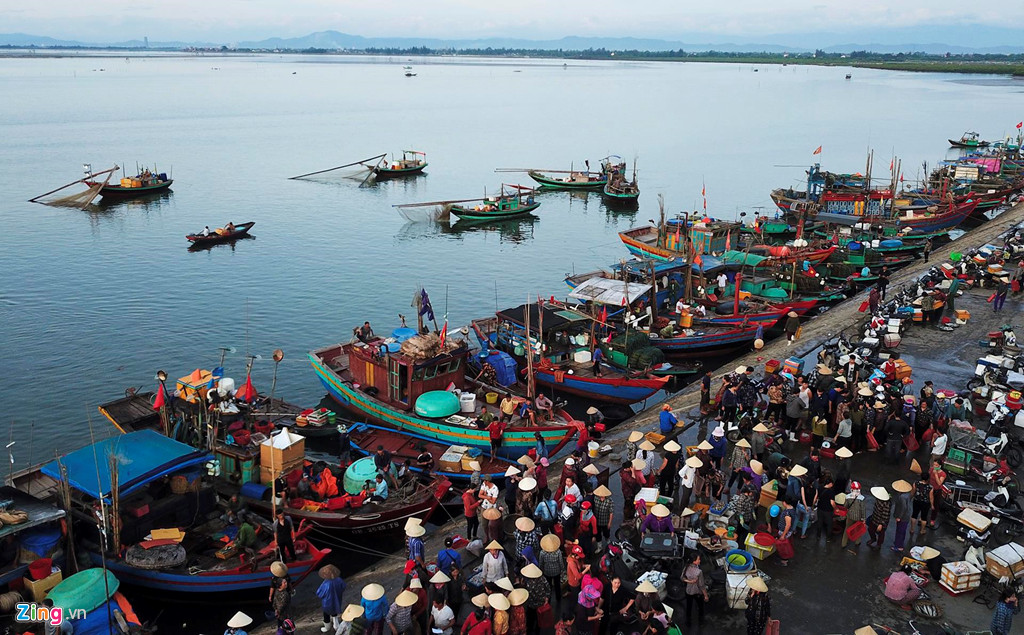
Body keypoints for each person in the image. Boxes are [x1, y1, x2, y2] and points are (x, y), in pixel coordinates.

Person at [317, 565, 347, 633]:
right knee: (335, 610)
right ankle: (336, 624)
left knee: (326, 614)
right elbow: (344, 586)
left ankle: (327, 627)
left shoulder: (326, 583)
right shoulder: (339, 580)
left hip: (327, 602)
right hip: (337, 599)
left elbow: (319, 593)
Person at [682, 553, 708, 627]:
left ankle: (688, 622)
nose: (699, 561)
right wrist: (706, 596)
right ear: (694, 561)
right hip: (697, 592)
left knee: (689, 607)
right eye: (698, 559)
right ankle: (701, 622)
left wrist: (689, 582)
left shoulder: (686, 567)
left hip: (688, 591)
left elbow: (682, 578)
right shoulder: (698, 572)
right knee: (701, 607)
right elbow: (701, 585)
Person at [890, 480, 913, 553]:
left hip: (903, 517)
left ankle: (898, 545)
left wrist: (899, 517)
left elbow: (903, 507)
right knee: (902, 531)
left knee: (900, 531)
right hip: (906, 516)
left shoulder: (902, 497)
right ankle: (899, 544)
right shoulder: (907, 495)